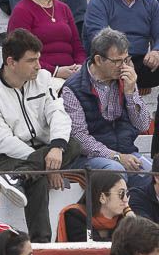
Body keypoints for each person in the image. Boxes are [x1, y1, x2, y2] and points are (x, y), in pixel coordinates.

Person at [0, 29, 83, 243]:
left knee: (74, 144)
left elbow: (58, 114)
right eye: (31, 60)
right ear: (11, 62)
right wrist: (45, 165)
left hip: (41, 153)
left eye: (38, 59)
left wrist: (56, 148)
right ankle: (41, 242)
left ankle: (21, 176)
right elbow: (2, 141)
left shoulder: (43, 78)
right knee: (39, 180)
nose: (38, 65)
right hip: (3, 159)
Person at [61, 28, 151, 178]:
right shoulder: (72, 89)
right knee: (115, 170)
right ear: (98, 60)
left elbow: (143, 125)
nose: (123, 66)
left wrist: (131, 94)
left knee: (153, 176)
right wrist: (116, 156)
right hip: (88, 159)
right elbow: (80, 138)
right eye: (117, 61)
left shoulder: (126, 77)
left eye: (126, 59)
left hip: (126, 153)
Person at [84, 0, 159, 90]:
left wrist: (156, 51)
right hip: (112, 61)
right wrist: (123, 60)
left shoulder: (150, 3)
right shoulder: (99, 3)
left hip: (141, 61)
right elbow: (99, 40)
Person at [4, 0, 85, 81]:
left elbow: (77, 46)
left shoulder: (63, 8)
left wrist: (80, 66)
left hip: (72, 75)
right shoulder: (22, 11)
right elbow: (21, 54)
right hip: (41, 78)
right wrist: (56, 71)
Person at [57, 170, 133, 243]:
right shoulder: (75, 215)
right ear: (102, 197)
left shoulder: (123, 218)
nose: (125, 199)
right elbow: (92, 248)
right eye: (121, 193)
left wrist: (133, 221)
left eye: (126, 193)